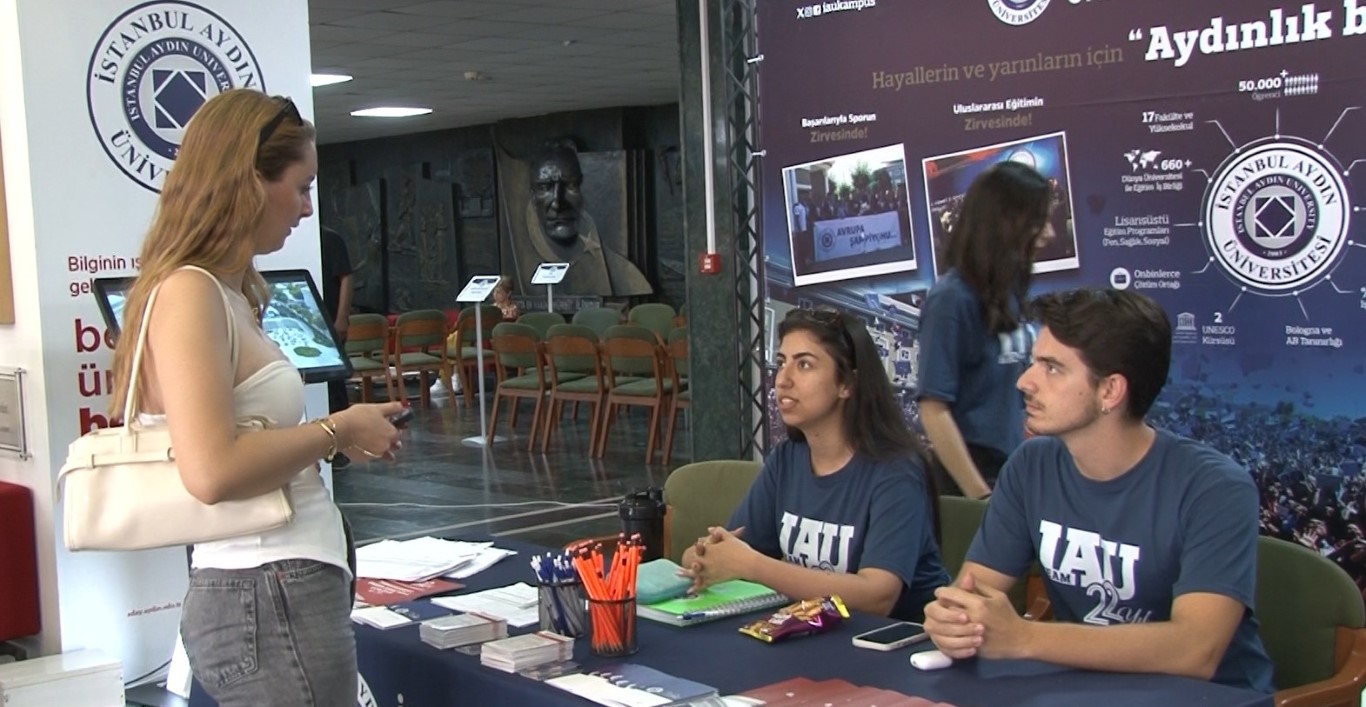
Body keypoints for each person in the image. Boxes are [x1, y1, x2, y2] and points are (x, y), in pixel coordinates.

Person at [108, 89, 405, 706]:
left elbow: (242, 443)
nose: (306, 208)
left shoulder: (230, 291)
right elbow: (213, 471)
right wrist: (338, 430)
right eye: (300, 187)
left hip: (279, 587)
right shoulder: (191, 294)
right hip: (267, 590)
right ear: (246, 183)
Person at [922, 288, 1273, 693]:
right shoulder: (1031, 465)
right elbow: (971, 596)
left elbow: (1195, 651)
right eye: (1033, 362)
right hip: (1088, 689)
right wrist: (954, 621)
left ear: (1110, 391)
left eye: (1052, 368)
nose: (1025, 381)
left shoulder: (1214, 488)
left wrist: (1025, 638)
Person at [682, 308, 949, 620]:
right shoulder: (787, 459)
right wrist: (706, 558)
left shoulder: (897, 471)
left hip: (894, 647)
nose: (783, 380)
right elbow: (725, 550)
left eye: (804, 365)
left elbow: (878, 597)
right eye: (781, 363)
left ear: (846, 384)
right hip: (813, 635)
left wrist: (752, 565)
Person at [916, 161, 1054, 499]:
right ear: (1005, 223)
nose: (1049, 234)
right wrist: (979, 496)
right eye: (1039, 222)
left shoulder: (1009, 293)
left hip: (1010, 470)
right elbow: (934, 408)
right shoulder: (951, 299)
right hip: (972, 478)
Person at [519, 140, 652, 297]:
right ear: (533, 197)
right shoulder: (518, 264)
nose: (557, 203)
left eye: (572, 186)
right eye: (544, 188)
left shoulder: (626, 277)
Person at [320, 225, 354, 469]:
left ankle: (340, 445)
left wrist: (342, 316)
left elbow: (346, 277)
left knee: (335, 383)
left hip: (331, 318)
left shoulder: (331, 239)